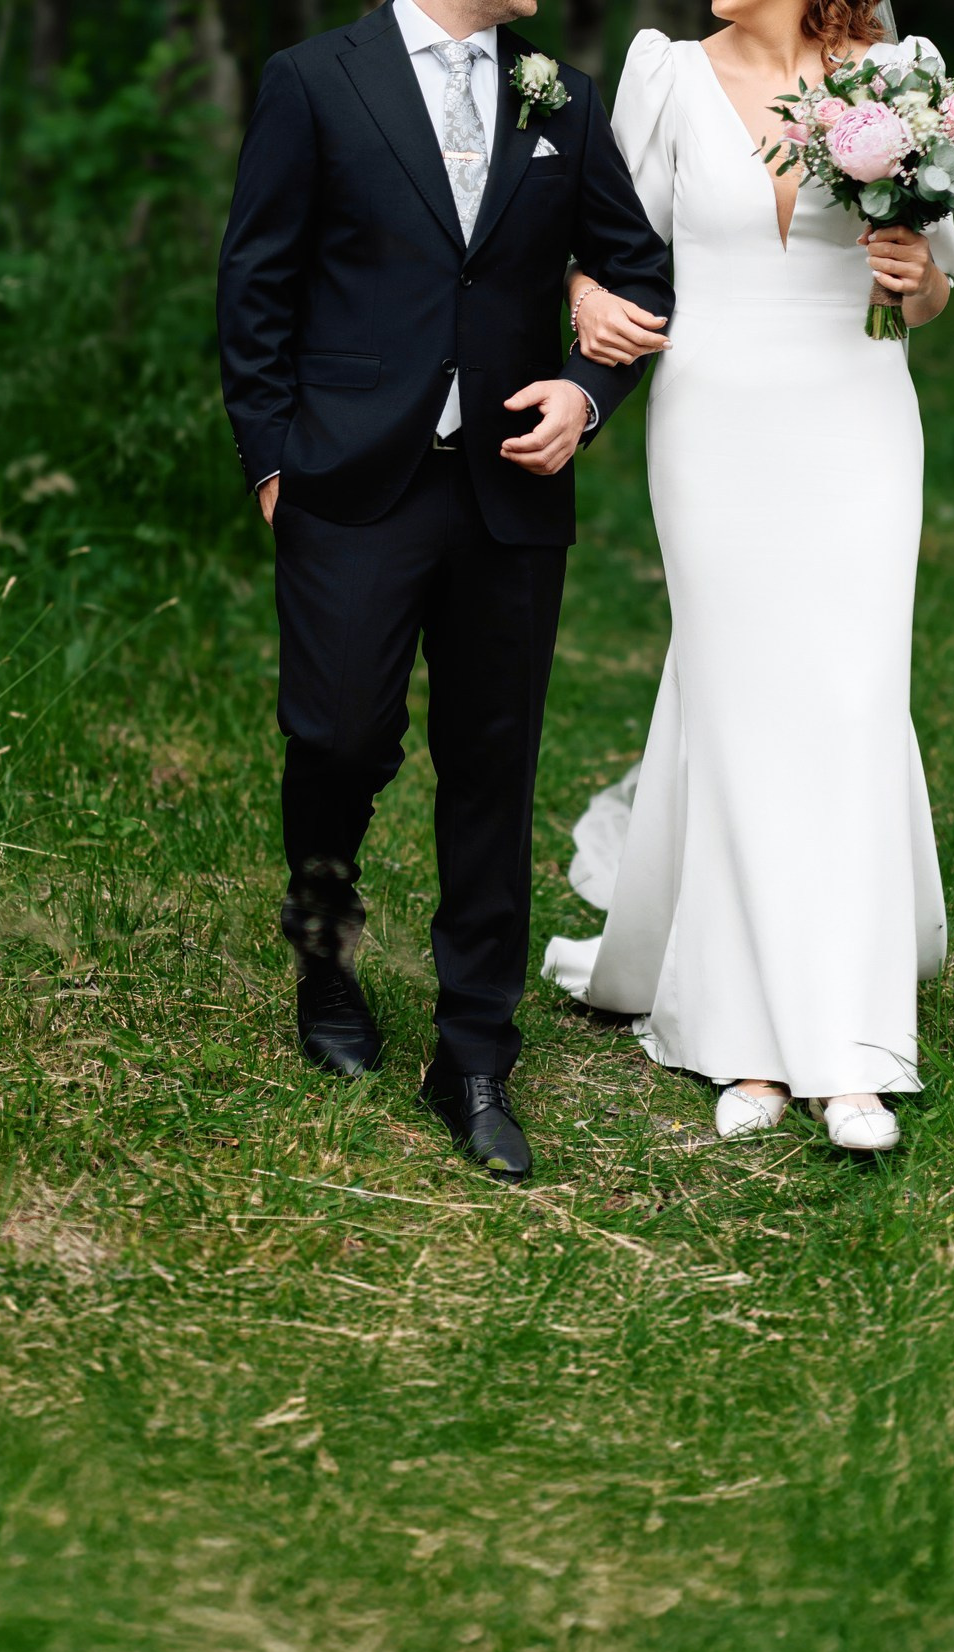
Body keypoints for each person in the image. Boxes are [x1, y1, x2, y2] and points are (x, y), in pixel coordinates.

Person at [216, 0, 672, 1181]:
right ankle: (324, 955)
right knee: (338, 736)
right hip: (349, 484)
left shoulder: (560, 99)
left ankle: (473, 1053)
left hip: (505, 496)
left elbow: (633, 268)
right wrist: (272, 465)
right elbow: (256, 280)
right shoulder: (315, 81)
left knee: (493, 767)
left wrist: (583, 394)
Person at [542, 0, 954, 1152]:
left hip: (859, 420)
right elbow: (611, 252)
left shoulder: (896, 78)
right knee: (736, 705)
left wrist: (908, 274)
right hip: (713, 426)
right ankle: (739, 1038)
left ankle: (853, 1050)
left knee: (848, 699)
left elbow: (932, 290)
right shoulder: (666, 75)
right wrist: (581, 300)